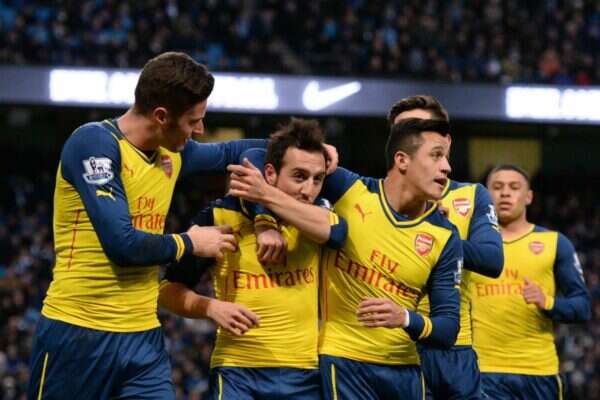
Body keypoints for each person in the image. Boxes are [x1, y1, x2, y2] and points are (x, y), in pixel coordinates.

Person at [27, 52, 271, 400]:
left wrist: (309, 150)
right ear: (161, 116)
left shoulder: (173, 154)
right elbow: (122, 245)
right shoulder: (94, 144)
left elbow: (236, 151)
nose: (200, 130)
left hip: (143, 340)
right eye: (193, 121)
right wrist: (189, 243)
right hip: (78, 334)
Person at [228, 118, 463, 400]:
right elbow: (261, 157)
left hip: (407, 371)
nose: (447, 167)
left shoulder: (445, 235)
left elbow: (448, 329)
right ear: (402, 160)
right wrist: (264, 219)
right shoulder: (349, 190)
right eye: (436, 156)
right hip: (344, 363)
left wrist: (404, 317)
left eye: (447, 158)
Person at [159, 118, 348, 399]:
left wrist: (265, 210)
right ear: (269, 173)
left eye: (317, 179)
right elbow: (166, 291)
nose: (308, 190)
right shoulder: (220, 216)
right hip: (237, 373)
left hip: (305, 375)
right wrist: (211, 307)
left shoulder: (319, 215)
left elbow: (337, 233)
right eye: (299, 177)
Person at [389, 95, 504, 399]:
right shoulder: (374, 198)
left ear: (447, 142)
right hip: (394, 349)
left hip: (455, 351)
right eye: (404, 131)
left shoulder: (472, 195)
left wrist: (440, 236)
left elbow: (493, 260)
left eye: (423, 128)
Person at [471, 164, 591, 399]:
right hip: (483, 371)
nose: (505, 193)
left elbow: (583, 307)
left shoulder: (555, 243)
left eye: (514, 187)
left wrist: (547, 302)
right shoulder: (469, 245)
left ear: (529, 196)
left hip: (538, 373)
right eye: (497, 187)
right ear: (485, 196)